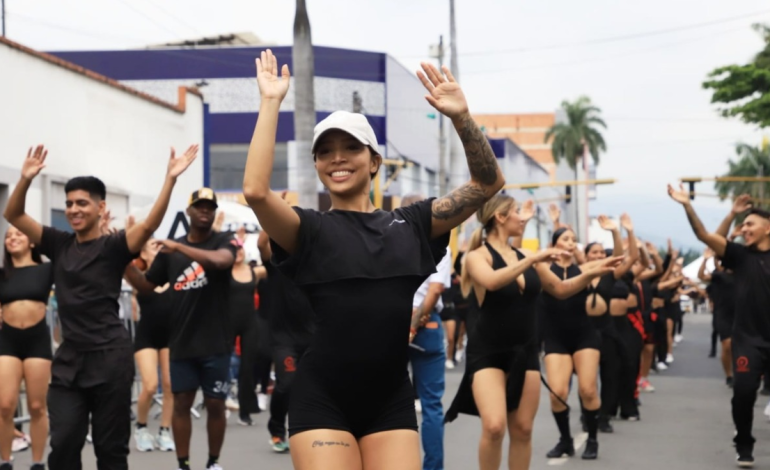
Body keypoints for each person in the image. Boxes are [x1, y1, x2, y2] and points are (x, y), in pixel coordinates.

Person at [243, 49, 506, 469]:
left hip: (390, 401)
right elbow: (256, 192)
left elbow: (488, 183)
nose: (338, 157)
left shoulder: (415, 224)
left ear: (375, 161)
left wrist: (461, 117)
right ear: (316, 165)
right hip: (321, 399)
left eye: (351, 147)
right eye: (325, 151)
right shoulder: (307, 230)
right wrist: (271, 101)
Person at [3, 144, 198, 470]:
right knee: (64, 444)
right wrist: (24, 179)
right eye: (68, 204)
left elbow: (149, 225)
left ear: (100, 206)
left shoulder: (113, 246)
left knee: (110, 451)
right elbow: (14, 215)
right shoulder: (58, 242)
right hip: (69, 363)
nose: (73, 210)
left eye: (81, 203)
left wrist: (170, 179)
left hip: (110, 359)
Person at [445, 195, 621, 470]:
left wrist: (594, 272)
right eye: (517, 213)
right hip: (488, 353)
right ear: (501, 217)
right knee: (494, 426)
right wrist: (535, 258)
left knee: (524, 429)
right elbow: (492, 282)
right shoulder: (477, 257)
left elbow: (561, 289)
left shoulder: (526, 256)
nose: (523, 217)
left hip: (524, 352)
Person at [125, 189, 237, 470]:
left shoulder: (222, 240)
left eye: (210, 207)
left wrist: (181, 248)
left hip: (216, 341)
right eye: (199, 206)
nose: (205, 211)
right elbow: (146, 286)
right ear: (188, 212)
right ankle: (183, 464)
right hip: (182, 342)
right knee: (181, 403)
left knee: (214, 405)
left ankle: (212, 463)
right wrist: (122, 260)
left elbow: (221, 261)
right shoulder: (170, 252)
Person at [669, 186, 770, 468]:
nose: (745, 229)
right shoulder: (739, 256)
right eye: (744, 224)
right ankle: (744, 442)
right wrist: (688, 206)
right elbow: (706, 236)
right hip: (748, 340)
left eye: (751, 224)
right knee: (744, 393)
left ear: (768, 228)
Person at [400, 194, 452, 470]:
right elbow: (434, 292)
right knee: (432, 406)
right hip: (427, 326)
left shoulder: (390, 238)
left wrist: (407, 325)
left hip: (393, 325)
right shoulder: (439, 240)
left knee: (390, 404)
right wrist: (416, 324)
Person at [255, 227, 315, 453]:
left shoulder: (314, 264)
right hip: (283, 340)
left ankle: (309, 430)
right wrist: (269, 216)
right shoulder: (276, 264)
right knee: (287, 384)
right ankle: (277, 430)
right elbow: (262, 245)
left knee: (314, 388)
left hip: (313, 336)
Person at [0, 226, 54, 470]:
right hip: (7, 340)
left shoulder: (46, 269)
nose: (12, 238)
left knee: (36, 406)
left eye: (18, 234)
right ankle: (5, 461)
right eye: (8, 236)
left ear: (32, 242)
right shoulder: (2, 274)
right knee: (4, 405)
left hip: (36, 340)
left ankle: (37, 462)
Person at [130, 229, 175, 452]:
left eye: (160, 246)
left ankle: (165, 430)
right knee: (150, 385)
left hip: (170, 337)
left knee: (170, 385)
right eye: (153, 246)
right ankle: (141, 427)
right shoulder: (140, 279)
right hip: (146, 336)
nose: (158, 249)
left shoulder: (173, 275)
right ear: (144, 254)